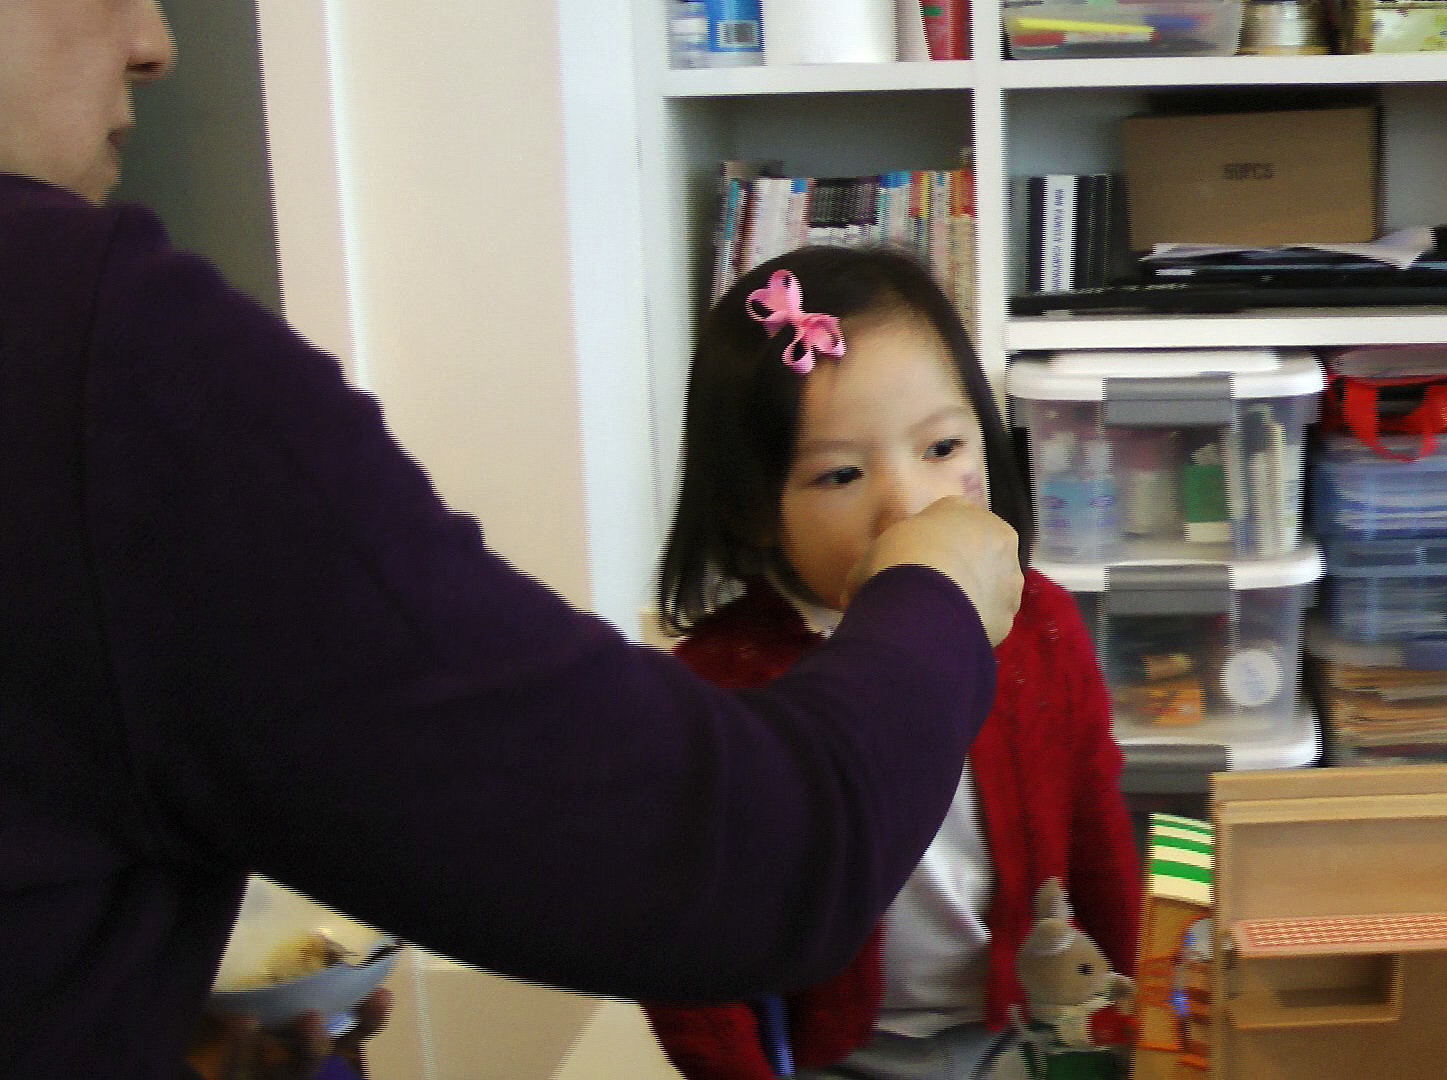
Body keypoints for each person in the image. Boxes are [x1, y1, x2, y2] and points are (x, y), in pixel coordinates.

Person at [0, 1, 1025, 1076]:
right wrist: (937, 591)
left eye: (944, 443)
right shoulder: (104, 363)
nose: (156, 42)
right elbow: (757, 866)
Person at [641, 246, 1140, 1080]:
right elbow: (689, 956)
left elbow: (1094, 824)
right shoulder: (715, 688)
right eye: (841, 472)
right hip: (829, 1053)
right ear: (753, 509)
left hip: (1022, 1028)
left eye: (942, 448)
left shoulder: (1040, 623)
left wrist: (1132, 1018)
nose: (909, 506)